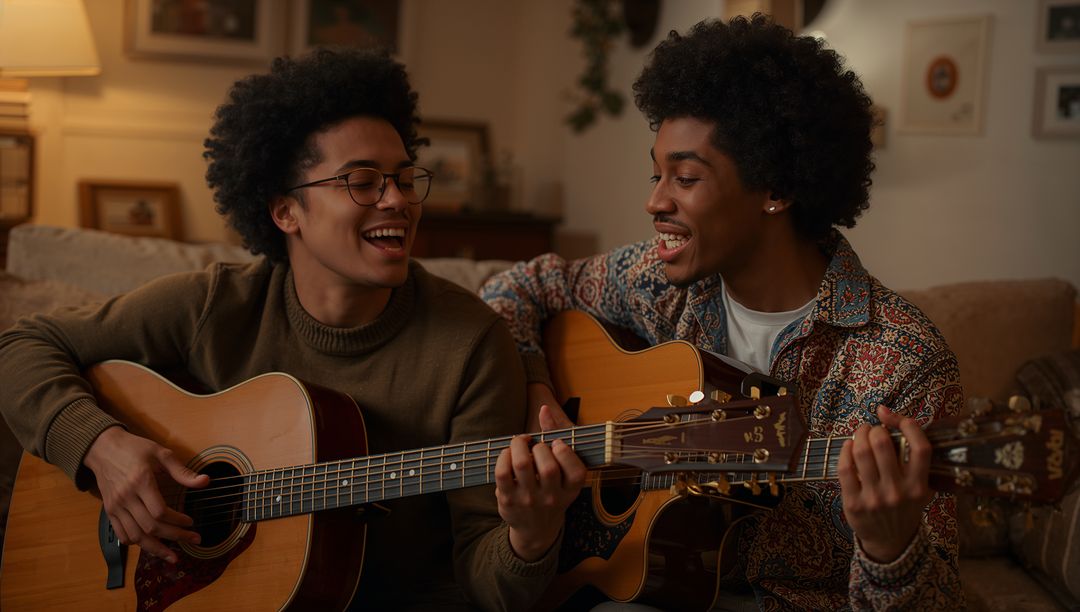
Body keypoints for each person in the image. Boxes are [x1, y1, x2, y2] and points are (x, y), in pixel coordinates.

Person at [0, 49, 585, 611]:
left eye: (405, 179)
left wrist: (529, 540)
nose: (397, 201)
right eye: (362, 181)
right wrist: (103, 448)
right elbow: (20, 346)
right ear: (286, 212)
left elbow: (487, 584)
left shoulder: (472, 343)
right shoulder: (215, 304)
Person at [480, 15, 963, 610]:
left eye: (684, 177)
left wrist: (891, 550)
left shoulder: (905, 363)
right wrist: (537, 388)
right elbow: (514, 287)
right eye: (657, 174)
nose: (654, 201)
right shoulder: (659, 285)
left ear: (776, 189)